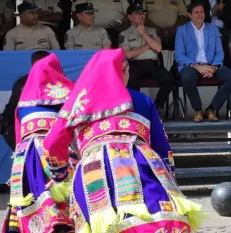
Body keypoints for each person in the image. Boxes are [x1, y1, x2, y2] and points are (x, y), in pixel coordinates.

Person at [42, 49, 204, 233]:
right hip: (141, 163)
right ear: (124, 71)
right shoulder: (142, 100)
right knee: (158, 221)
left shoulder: (76, 103)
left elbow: (51, 143)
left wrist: (61, 176)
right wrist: (167, 178)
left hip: (92, 171)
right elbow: (161, 146)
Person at [4, 53, 75, 233]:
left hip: (26, 154)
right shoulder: (66, 94)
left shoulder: (24, 97)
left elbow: (20, 131)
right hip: (54, 150)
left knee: (28, 195)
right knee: (61, 195)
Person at [175, 3, 231, 122]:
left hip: (211, 64)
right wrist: (197, 66)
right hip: (192, 65)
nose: (200, 15)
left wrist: (214, 67)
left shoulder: (213, 28)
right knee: (187, 76)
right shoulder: (182, 30)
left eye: (202, 12)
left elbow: (219, 52)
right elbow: (179, 55)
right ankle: (198, 109)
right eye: (196, 12)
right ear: (189, 15)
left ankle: (212, 109)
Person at [120, 3, 175, 118]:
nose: (141, 16)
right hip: (134, 65)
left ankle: (156, 108)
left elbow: (158, 48)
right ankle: (134, 112)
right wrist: (148, 45)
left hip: (152, 64)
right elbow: (128, 55)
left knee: (169, 79)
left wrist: (143, 34)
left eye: (143, 13)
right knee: (130, 81)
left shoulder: (151, 31)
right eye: (137, 13)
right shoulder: (124, 34)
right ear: (130, 17)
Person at [1, 50, 50, 150]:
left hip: (54, 131)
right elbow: (12, 106)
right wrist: (4, 123)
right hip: (27, 131)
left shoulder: (62, 82)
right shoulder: (23, 83)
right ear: (33, 66)